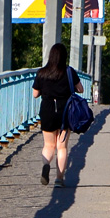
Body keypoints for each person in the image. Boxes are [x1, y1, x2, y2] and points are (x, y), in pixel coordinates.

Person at [32, 42, 83, 188]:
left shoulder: (42, 73)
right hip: (64, 111)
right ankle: (59, 179)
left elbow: (35, 94)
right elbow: (80, 89)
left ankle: (46, 164)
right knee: (62, 147)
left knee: (49, 145)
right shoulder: (69, 72)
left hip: (47, 110)